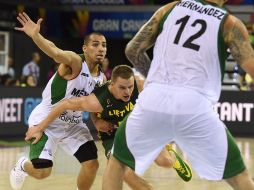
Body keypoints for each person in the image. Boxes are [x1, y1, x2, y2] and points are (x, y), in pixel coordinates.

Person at [102, 0, 254, 189]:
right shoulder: (230, 24)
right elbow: (250, 67)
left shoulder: (171, 7)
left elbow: (132, 49)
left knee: (117, 163)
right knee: (239, 176)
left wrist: (154, 79)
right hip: (194, 107)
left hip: (153, 100)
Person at [25, 64, 192, 189]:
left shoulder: (141, 85)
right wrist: (40, 127)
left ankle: (170, 154)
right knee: (125, 173)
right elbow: (64, 104)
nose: (127, 92)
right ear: (112, 84)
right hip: (113, 135)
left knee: (165, 162)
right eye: (122, 88)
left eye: (130, 87)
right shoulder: (97, 100)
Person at [10, 12, 106, 190]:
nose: (101, 48)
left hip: (73, 125)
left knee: (92, 164)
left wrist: (98, 121)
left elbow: (93, 106)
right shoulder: (75, 62)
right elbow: (54, 51)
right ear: (85, 48)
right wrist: (36, 36)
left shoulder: (101, 79)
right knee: (43, 173)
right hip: (46, 121)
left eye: (104, 45)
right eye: (95, 44)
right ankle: (23, 165)